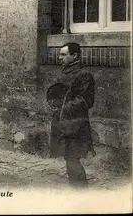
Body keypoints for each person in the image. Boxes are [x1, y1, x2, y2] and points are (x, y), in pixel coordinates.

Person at [48, 42, 95, 188]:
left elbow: (85, 101)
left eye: (63, 54)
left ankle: (80, 193)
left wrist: (62, 108)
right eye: (60, 54)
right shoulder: (65, 73)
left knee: (72, 158)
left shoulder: (84, 75)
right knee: (69, 157)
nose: (59, 57)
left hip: (75, 124)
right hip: (63, 123)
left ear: (74, 56)